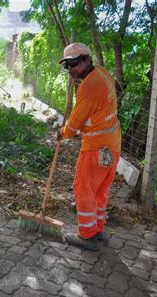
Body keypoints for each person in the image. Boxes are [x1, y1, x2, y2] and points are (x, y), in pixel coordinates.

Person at [57, 42, 121, 251]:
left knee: (83, 188)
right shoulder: (102, 74)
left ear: (86, 60)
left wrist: (62, 133)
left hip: (95, 148)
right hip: (112, 147)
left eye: (74, 64)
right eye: (67, 66)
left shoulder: (89, 86)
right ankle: (98, 228)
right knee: (100, 190)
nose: (71, 70)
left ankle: (87, 236)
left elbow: (74, 124)